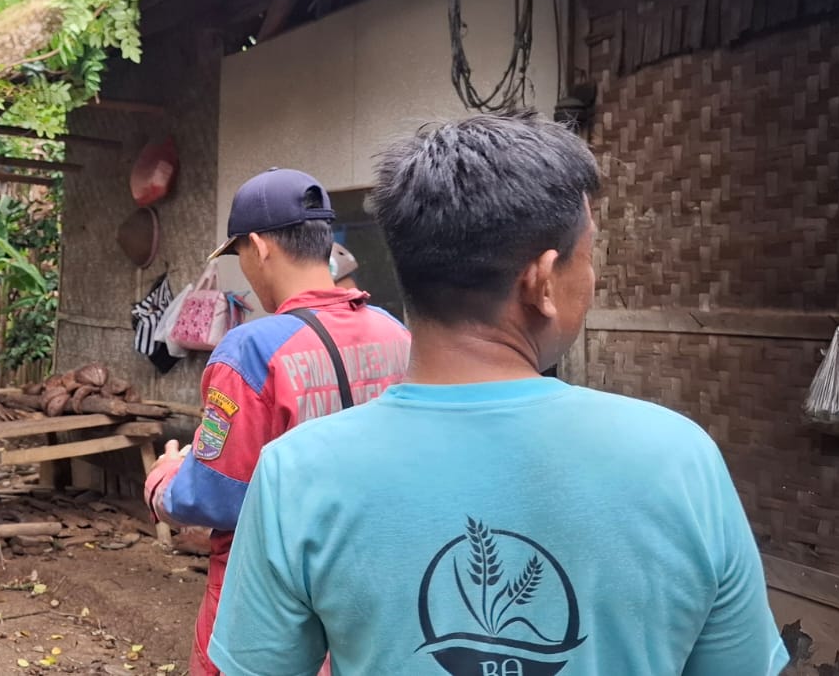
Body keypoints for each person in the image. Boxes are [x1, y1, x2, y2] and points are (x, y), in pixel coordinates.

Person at [211, 115, 788, 675]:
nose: (591, 277)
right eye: (588, 256)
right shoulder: (680, 460)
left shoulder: (296, 473)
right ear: (541, 282)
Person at [144, 168, 410, 676]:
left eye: (240, 254)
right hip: (378, 585)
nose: (244, 268)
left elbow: (217, 496)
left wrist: (165, 478)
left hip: (271, 597)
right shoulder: (396, 332)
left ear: (260, 247)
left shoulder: (251, 350)